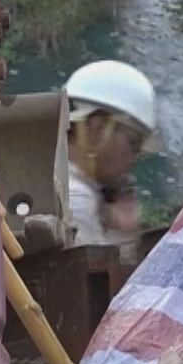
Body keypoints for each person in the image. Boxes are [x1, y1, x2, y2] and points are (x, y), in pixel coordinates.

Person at [62, 60, 158, 255]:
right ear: (95, 127)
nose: (133, 159)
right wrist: (122, 236)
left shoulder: (67, 185)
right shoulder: (77, 198)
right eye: (132, 143)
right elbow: (99, 283)